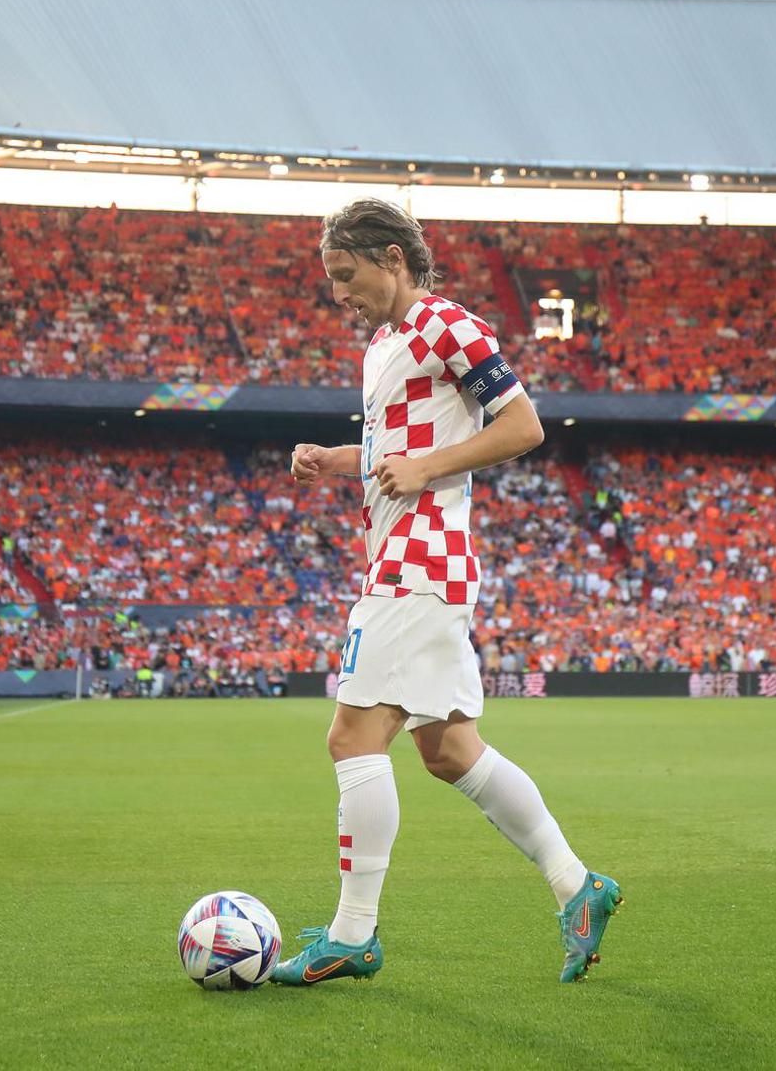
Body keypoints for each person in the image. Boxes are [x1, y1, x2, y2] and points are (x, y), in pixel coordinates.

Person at [274, 199, 619, 988]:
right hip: (404, 563)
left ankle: (353, 934)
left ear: (393, 257)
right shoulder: (383, 345)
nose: (338, 294)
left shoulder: (446, 323)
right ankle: (578, 886)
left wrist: (427, 469)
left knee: (351, 739)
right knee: (448, 750)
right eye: (331, 280)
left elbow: (525, 425)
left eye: (347, 275)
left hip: (417, 565)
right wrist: (340, 460)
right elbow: (399, 445)